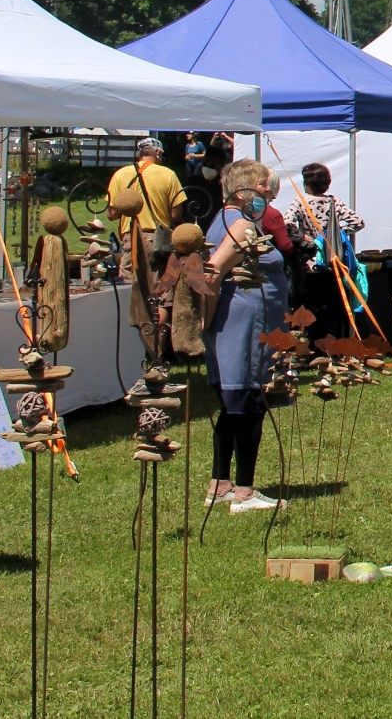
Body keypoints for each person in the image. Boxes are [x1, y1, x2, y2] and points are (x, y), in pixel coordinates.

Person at [201, 159, 289, 513]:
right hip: (244, 328)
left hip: (235, 324)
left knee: (232, 407)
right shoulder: (240, 226)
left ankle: (220, 483)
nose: (268, 192)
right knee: (249, 405)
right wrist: (204, 324)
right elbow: (211, 273)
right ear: (243, 191)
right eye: (263, 186)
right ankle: (244, 491)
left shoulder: (224, 220)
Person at [108, 136, 188, 356]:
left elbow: (112, 212)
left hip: (130, 239)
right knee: (160, 296)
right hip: (158, 241)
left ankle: (132, 351)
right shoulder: (168, 175)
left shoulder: (120, 175)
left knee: (132, 291)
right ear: (158, 153)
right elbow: (176, 215)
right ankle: (156, 352)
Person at [284, 163, 366, 339]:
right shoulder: (333, 201)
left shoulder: (300, 202)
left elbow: (287, 223)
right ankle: (330, 343)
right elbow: (358, 222)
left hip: (309, 261)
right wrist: (335, 235)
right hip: (332, 261)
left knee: (308, 303)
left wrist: (305, 238)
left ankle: (311, 343)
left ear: (307, 183)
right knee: (331, 305)